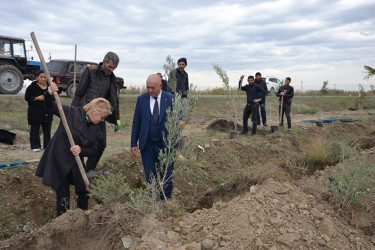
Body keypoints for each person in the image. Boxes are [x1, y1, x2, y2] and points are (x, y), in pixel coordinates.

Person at [36, 82, 112, 216]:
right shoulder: (71, 112)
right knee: (63, 194)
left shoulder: (96, 129)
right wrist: (49, 94)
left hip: (76, 162)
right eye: (103, 117)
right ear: (94, 112)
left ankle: (82, 218)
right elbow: (50, 107)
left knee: (84, 191)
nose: (102, 120)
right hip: (60, 159)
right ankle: (62, 221)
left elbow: (93, 150)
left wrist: (81, 150)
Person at [131, 74, 184, 200]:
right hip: (147, 145)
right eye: (147, 87)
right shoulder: (141, 99)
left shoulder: (171, 99)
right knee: (150, 177)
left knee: (167, 177)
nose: (150, 90)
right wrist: (133, 143)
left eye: (153, 88)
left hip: (165, 146)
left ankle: (166, 202)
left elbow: (179, 118)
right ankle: (152, 204)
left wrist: (181, 123)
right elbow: (136, 123)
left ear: (160, 86)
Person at [71, 52, 120, 177]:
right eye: (110, 67)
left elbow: (114, 99)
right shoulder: (90, 71)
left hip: (100, 117)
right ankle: (76, 169)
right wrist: (73, 111)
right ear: (104, 61)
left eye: (114, 68)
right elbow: (79, 93)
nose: (111, 70)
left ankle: (89, 169)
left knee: (101, 143)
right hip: (86, 113)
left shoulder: (111, 79)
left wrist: (116, 119)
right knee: (81, 142)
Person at [25, 71, 53, 151]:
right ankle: (35, 146)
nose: (43, 79)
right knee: (35, 129)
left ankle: (47, 146)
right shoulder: (32, 87)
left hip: (47, 111)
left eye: (45, 77)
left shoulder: (50, 87)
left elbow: (54, 99)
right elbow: (27, 97)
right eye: (41, 77)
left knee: (47, 130)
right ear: (37, 77)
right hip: (35, 111)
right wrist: (37, 98)